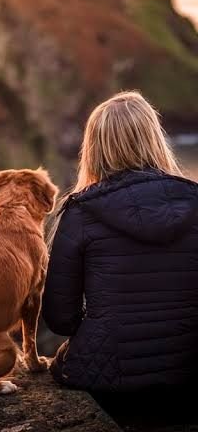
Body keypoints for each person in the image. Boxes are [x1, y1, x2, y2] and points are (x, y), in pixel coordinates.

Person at [42, 91, 198, 395]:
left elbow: (60, 319)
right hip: (188, 377)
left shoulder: (81, 210)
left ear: (95, 148)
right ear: (154, 138)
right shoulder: (195, 200)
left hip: (109, 383)